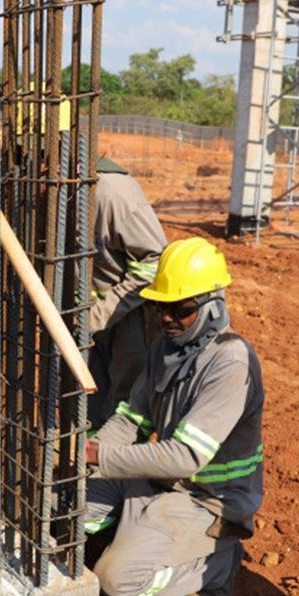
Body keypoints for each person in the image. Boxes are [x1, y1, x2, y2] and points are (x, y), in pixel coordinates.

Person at [84, 237, 264, 596]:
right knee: (73, 513)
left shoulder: (230, 362)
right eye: (161, 307)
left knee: (116, 580)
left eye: (180, 310)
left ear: (212, 307)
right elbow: (132, 418)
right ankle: (141, 533)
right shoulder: (167, 349)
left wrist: (100, 455)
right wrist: (90, 455)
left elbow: (185, 457)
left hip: (207, 499)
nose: (167, 319)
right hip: (161, 480)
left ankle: (218, 564)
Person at [88, 157, 169, 428]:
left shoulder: (113, 193)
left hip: (131, 314)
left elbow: (154, 262)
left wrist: (99, 313)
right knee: (90, 399)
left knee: (126, 403)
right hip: (89, 318)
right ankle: (88, 460)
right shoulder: (50, 191)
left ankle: (117, 464)